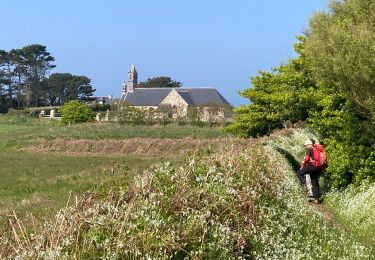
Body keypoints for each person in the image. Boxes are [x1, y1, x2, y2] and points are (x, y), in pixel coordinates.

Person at [297, 139, 321, 204]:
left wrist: (303, 165)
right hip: (317, 168)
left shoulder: (309, 149)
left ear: (309, 145)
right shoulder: (316, 149)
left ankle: (304, 184)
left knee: (299, 173)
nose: (305, 147)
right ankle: (317, 199)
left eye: (306, 145)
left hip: (311, 166)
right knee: (314, 181)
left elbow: (307, 159)